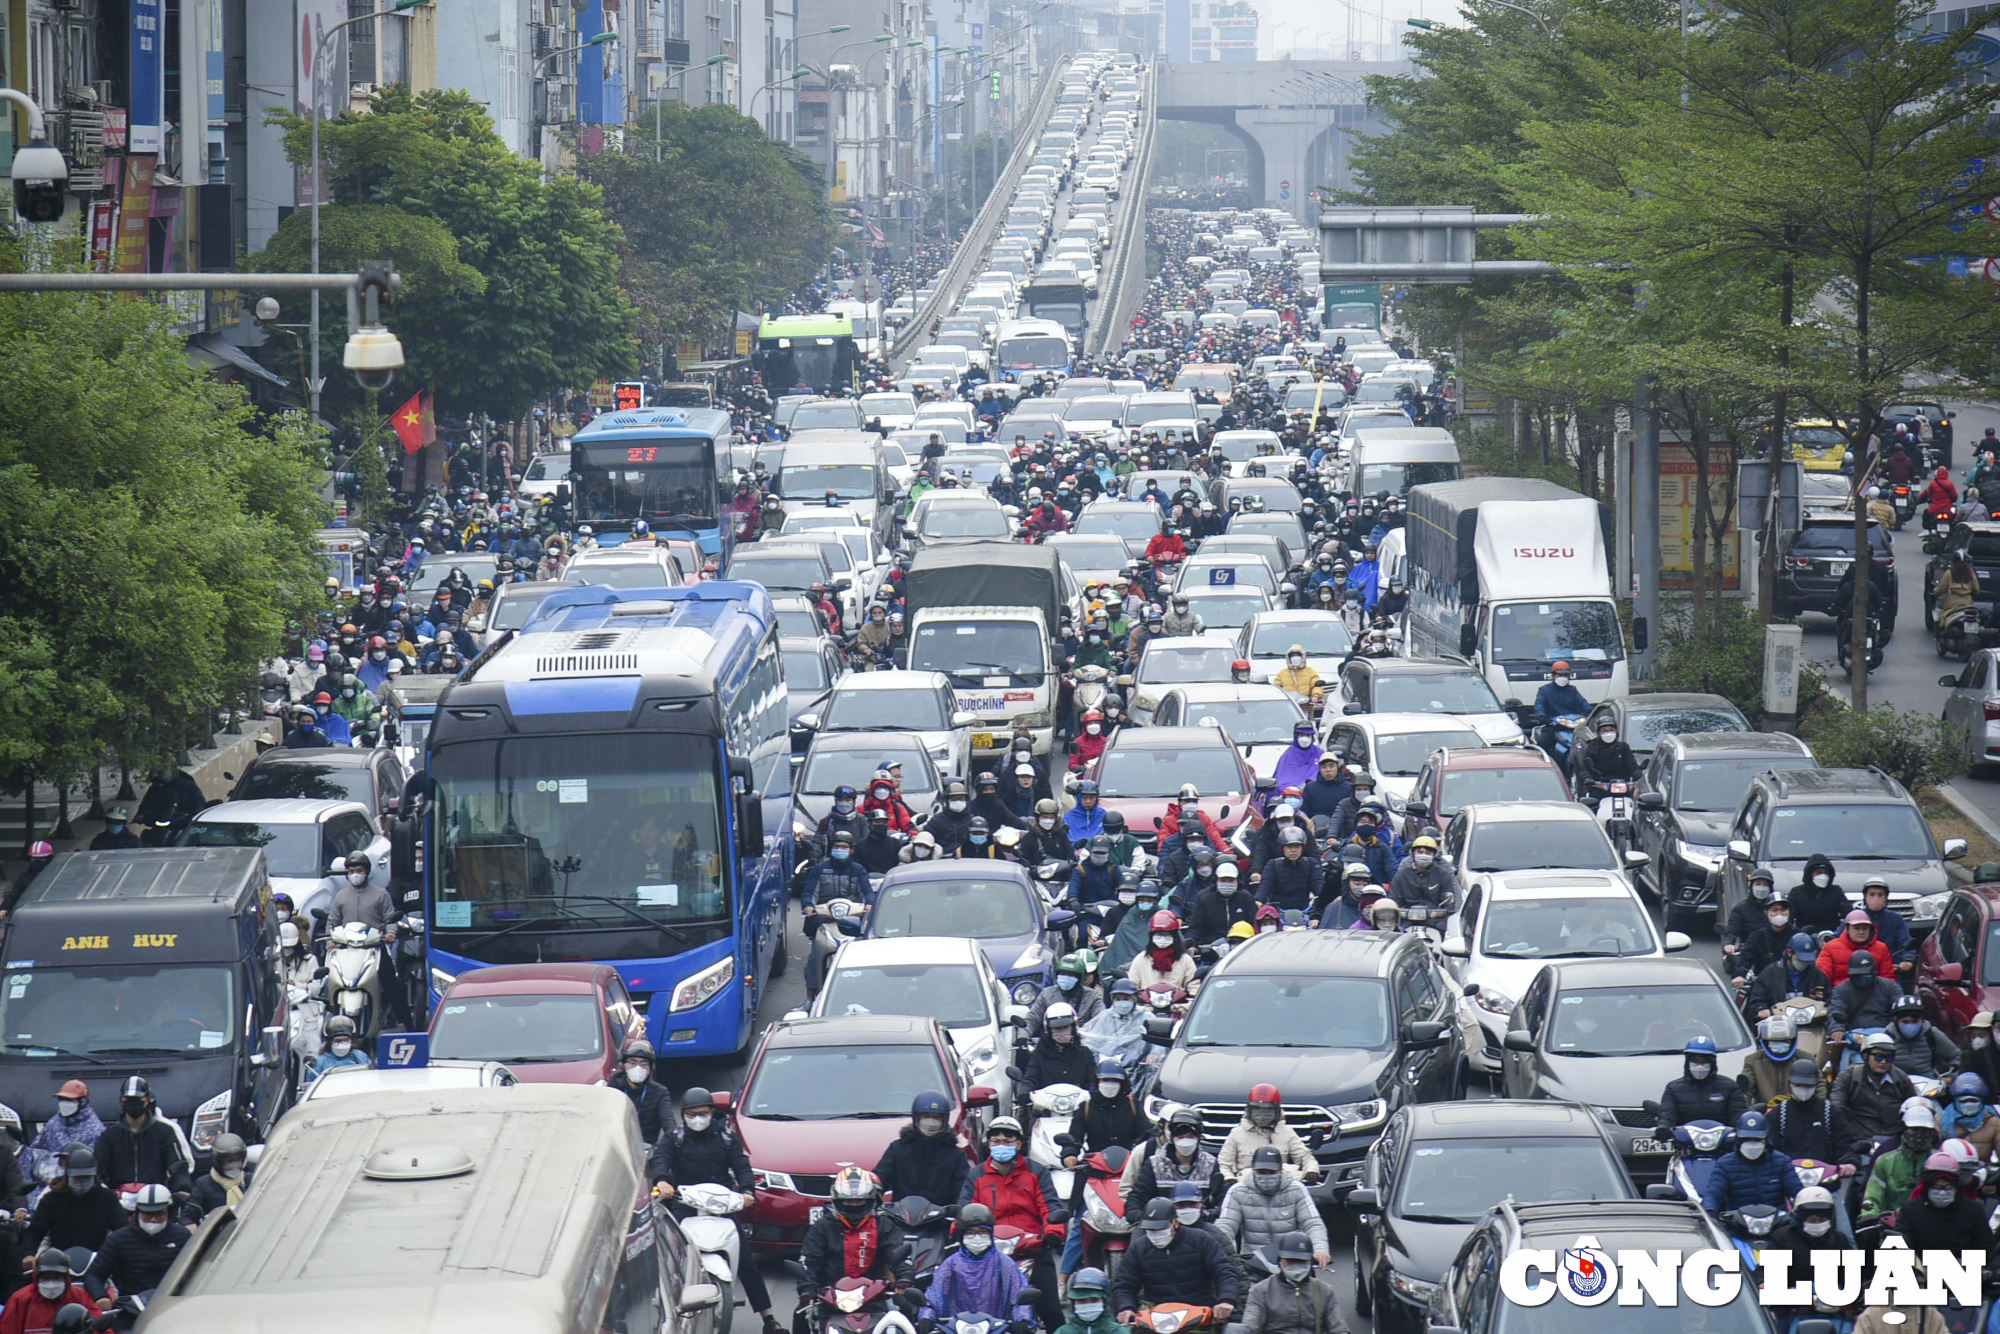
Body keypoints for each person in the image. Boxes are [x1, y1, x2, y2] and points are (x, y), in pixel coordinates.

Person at [650, 1088, 782, 1334]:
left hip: (720, 1206)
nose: (697, 1119)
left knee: (746, 1261)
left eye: (701, 1113)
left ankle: (769, 1318)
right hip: (685, 1206)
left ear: (712, 1112)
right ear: (684, 1115)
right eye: (691, 1114)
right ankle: (664, 1312)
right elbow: (660, 1160)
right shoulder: (674, 1138)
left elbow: (742, 1166)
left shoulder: (727, 1138)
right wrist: (662, 1180)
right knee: (667, 1256)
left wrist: (747, 1192)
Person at [963, 1118, 1064, 1332]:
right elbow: (966, 1211)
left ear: (1019, 1144)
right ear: (988, 1144)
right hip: (988, 1253)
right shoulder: (977, 1175)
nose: (1002, 1145)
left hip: (1032, 1250)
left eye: (1008, 1141)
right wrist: (960, 1231)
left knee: (1053, 1312)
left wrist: (1053, 1231)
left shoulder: (1036, 1172)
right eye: (996, 1141)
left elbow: (1050, 1206)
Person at [1112, 1198, 1242, 1326]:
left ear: (1175, 1222)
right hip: (1157, 1319)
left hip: (1201, 1317)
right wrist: (1126, 1307)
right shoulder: (1138, 1249)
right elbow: (1124, 1284)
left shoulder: (1200, 1240)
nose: (1155, 1234)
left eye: (1160, 1228)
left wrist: (1226, 1300)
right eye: (1150, 1230)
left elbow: (1224, 1271)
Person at [798, 1167, 912, 1308]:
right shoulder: (822, 1227)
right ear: (837, 1200)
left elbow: (897, 1252)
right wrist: (807, 1290)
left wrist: (904, 1276)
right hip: (830, 1296)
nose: (854, 1205)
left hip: (875, 1294)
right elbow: (809, 1261)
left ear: (870, 1200)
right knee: (801, 1312)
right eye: (848, 1201)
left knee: (906, 1307)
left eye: (859, 1201)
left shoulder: (883, 1226)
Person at [920, 1203, 1036, 1331]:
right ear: (962, 1235)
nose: (977, 1237)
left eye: (982, 1232)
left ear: (991, 1234)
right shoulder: (950, 1264)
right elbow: (934, 1296)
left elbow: (1019, 1294)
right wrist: (926, 1317)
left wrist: (1022, 1319)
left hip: (996, 1330)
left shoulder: (1004, 1264)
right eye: (970, 1232)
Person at [1214, 1147, 1329, 1264]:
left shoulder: (1297, 1189)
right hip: (1253, 1262)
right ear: (1253, 1170)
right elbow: (1227, 1225)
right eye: (1261, 1172)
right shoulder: (1237, 1192)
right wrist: (1217, 1251)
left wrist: (1320, 1249)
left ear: (1280, 1170)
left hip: (1291, 1259)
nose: (1266, 1176)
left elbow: (1312, 1223)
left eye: (1271, 1172)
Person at [83, 1183, 188, 1303]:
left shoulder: (182, 1236)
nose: (153, 1220)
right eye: (148, 1214)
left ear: (169, 1213)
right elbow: (93, 1274)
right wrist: (101, 1296)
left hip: (172, 1303)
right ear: (138, 1212)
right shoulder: (119, 1239)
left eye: (159, 1214)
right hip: (131, 1306)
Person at [92, 1077, 191, 1195]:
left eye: (138, 1099)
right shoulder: (109, 1136)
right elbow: (97, 1170)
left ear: (147, 1099)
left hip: (156, 1198)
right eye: (128, 1099)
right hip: (118, 1200)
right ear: (121, 1100)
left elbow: (178, 1167)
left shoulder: (165, 1132)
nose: (133, 1104)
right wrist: (106, 1192)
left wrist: (180, 1189)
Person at [874, 1091, 974, 1209]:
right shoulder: (898, 1149)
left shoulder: (956, 1156)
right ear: (916, 1118)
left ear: (945, 1120)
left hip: (940, 1222)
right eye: (926, 1116)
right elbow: (880, 1179)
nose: (931, 1122)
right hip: (899, 1221)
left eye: (936, 1117)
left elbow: (962, 1192)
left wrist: (958, 1212)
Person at [1240, 1230, 1348, 1334]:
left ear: (1310, 1261)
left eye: (1301, 1261)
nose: (1296, 1264)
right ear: (1280, 1260)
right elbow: (1249, 1328)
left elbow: (1339, 1329)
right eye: (1290, 1260)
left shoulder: (1324, 1291)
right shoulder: (1260, 1291)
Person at [1769, 1059, 1861, 1178]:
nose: (1803, 1089)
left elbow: (1845, 1144)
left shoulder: (1831, 1112)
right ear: (1789, 1084)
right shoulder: (1777, 1114)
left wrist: (1850, 1162)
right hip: (1788, 1180)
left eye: (1808, 1085)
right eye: (1798, 1085)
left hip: (1826, 1181)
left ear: (1816, 1085)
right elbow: (1770, 1149)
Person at [1127, 1107, 1225, 1217]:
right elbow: (1137, 1197)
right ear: (1173, 1138)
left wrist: (1211, 1214)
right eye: (1180, 1137)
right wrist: (1143, 1217)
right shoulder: (1155, 1165)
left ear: (1198, 1138)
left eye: (1190, 1137)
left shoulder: (1210, 1164)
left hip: (1201, 1225)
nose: (1186, 1141)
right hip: (1162, 1225)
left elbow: (1223, 1198)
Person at [24, 1148, 123, 1256]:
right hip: (60, 1262)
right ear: (67, 1176)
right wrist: (29, 1254)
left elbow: (122, 1230)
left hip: (98, 1260)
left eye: (86, 1178)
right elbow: (35, 1231)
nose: (81, 1182)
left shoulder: (108, 1198)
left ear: (94, 1176)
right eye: (77, 1178)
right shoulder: (51, 1199)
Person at [1699, 1111, 1802, 1213]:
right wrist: (1709, 1211)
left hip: (1777, 1221)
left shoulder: (1782, 1162)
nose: (1752, 1144)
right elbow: (1713, 1193)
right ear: (1739, 1139)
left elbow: (1796, 1190)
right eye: (1747, 1139)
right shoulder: (1725, 1164)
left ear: (1766, 1139)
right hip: (1738, 1222)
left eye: (1757, 1139)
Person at [1896, 1151, 1996, 1254]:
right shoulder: (1911, 1210)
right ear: (1927, 1186)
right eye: (1936, 1187)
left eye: (1948, 1187)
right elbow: (1901, 1246)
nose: (1942, 1192)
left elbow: (1985, 1246)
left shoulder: (1973, 1210)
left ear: (1956, 1187)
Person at [1218, 1085, 1320, 1183]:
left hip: (1282, 1189)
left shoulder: (1287, 1133)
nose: (1262, 1115)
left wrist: (1311, 1170)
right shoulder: (1237, 1133)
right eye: (1257, 1109)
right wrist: (1229, 1178)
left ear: (1277, 1111)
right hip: (1246, 1189)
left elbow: (1305, 1157)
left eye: (1268, 1110)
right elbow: (1223, 1164)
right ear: (1249, 1110)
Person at [1833, 1032, 1918, 1143]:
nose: (1883, 1062)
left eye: (1889, 1057)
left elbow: (1913, 1108)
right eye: (1878, 1056)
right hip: (1858, 1140)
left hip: (1894, 1141)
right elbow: (1836, 1107)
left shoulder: (1901, 1079)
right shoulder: (1849, 1076)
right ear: (1865, 1056)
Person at [1861, 1099, 1938, 1218]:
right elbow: (1873, 1194)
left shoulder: (1939, 1161)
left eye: (1924, 1130)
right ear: (1905, 1129)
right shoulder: (1885, 1161)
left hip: (1929, 1226)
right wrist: (1869, 1215)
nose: (1919, 1134)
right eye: (1914, 1129)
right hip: (1893, 1227)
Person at [1656, 1037, 1747, 1136]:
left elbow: (1737, 1113)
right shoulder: (1673, 1089)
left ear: (1712, 1063)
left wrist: (1742, 1126)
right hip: (1685, 1144)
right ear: (1687, 1063)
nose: (1699, 1066)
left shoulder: (1730, 1086)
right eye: (1695, 1061)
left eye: (1704, 1062)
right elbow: (1668, 1113)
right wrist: (1663, 1127)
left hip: (1722, 1145)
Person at [21, 1085, 104, 1191]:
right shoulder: (53, 1124)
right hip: (46, 1183)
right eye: (62, 1099)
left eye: (69, 1100)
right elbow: (34, 1153)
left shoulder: (94, 1129)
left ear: (82, 1101)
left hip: (79, 1184)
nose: (64, 1103)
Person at [0, 1251, 96, 1334]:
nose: (51, 1284)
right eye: (45, 1278)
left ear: (66, 1278)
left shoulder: (79, 1297)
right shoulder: (20, 1300)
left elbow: (99, 1328)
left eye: (56, 1278)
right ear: (37, 1278)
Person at [1744, 932, 1831, 1019]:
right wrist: (1762, 1009)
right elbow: (1756, 999)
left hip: (1810, 1023)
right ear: (1790, 953)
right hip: (1779, 1023)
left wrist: (1819, 1000)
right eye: (1800, 959)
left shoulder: (1817, 975)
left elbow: (1829, 1000)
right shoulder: (1770, 973)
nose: (1804, 963)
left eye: (1807, 960)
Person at [1828, 951, 1901, 1052]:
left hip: (1886, 1037)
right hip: (1853, 1039)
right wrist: (1837, 1029)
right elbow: (1836, 1009)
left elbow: (1900, 1010)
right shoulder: (1841, 990)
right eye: (1857, 976)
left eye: (1866, 975)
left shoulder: (1890, 987)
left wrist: (1896, 1029)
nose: (1862, 979)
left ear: (1874, 972)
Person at [608, 1038, 673, 1147]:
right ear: (624, 1065)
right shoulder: (613, 1089)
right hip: (618, 1146)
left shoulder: (660, 1092)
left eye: (644, 1063)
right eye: (632, 1062)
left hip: (646, 1148)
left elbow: (669, 1123)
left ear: (650, 1068)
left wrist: (674, 1137)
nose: (637, 1067)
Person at [178, 1132, 251, 1227]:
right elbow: (188, 1215)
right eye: (229, 1161)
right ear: (216, 1160)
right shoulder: (203, 1184)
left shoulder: (252, 1179)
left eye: (237, 1160)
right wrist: (190, 1225)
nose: (233, 1165)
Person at [1027, 953, 1106, 1039]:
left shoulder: (1093, 997)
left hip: (1082, 1045)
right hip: (1051, 1045)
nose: (1066, 978)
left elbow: (1102, 1022)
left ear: (1080, 978)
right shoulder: (1046, 994)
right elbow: (1032, 1019)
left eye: (1071, 975)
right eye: (1063, 974)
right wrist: (1023, 1036)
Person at [1022, 1003, 1097, 1093]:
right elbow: (1030, 1078)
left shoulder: (1085, 1054)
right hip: (1046, 1104)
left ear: (1073, 1027)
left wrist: (1093, 1092)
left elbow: (1093, 1081)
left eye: (1065, 1027)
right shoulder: (1039, 1054)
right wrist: (1024, 1091)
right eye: (1057, 1028)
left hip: (1079, 1104)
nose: (1062, 1032)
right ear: (1049, 1030)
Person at [1887, 992, 1958, 1078]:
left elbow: (1956, 1055)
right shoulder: (1888, 1037)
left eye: (1915, 1021)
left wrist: (1951, 1077)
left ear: (1921, 1019)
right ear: (1895, 1020)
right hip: (1896, 1085)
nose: (1910, 1026)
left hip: (1929, 1085)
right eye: (1905, 1022)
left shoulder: (1931, 1034)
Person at [1820, 909, 1892, 988]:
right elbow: (1822, 978)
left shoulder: (1881, 948)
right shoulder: (1830, 948)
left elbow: (1888, 980)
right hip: (1839, 996)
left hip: (1873, 996)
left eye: (1865, 928)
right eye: (1856, 928)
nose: (1861, 932)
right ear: (1847, 929)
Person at [1129, 912, 1196, 992]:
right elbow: (1132, 986)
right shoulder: (1141, 959)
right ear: (1152, 936)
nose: (1162, 938)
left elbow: (1194, 987)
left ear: (1174, 936)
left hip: (1177, 1004)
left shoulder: (1185, 960)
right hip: (1146, 1004)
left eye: (1167, 935)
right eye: (1159, 935)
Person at [1788, 853, 1851, 938]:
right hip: (1804, 937)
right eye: (1819, 873)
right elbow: (1788, 919)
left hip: (1832, 936)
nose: (1823, 876)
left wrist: (1838, 933)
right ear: (1810, 874)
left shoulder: (1836, 891)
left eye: (1826, 873)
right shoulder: (1797, 893)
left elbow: (1849, 915)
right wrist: (1800, 933)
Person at [1531, 663, 1589, 755]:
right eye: (1560, 675)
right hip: (1553, 725)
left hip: (1573, 725)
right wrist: (1542, 716)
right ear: (1553, 676)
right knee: (1541, 746)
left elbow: (1582, 702)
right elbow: (1540, 704)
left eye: (1565, 675)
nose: (1563, 677)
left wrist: (1590, 711)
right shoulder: (1544, 690)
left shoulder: (1572, 690)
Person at [1055, 1266, 1123, 1334]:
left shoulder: (1118, 1332)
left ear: (1105, 1301)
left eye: (1094, 1300)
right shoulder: (1062, 1332)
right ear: (1073, 1303)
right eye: (1081, 1300)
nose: (1088, 1305)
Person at [305, 1015, 371, 1084]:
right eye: (337, 1041)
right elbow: (311, 1086)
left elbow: (370, 1079)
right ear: (330, 1042)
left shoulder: (359, 1056)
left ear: (352, 1040)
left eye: (345, 1040)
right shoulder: (320, 1062)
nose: (341, 1045)